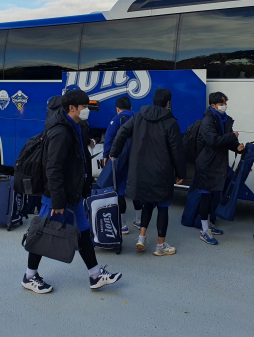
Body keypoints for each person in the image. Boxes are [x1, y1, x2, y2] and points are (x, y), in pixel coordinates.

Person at [22, 89, 122, 294]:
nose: (86, 111)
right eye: (84, 107)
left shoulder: (75, 126)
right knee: (41, 233)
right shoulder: (61, 132)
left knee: (84, 232)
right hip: (57, 195)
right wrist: (57, 201)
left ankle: (95, 275)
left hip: (72, 193)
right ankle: (29, 276)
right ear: (72, 108)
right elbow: (53, 168)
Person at [109, 88, 186, 257]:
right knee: (163, 207)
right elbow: (177, 150)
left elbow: (122, 132)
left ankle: (141, 238)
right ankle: (160, 245)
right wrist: (181, 173)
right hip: (162, 171)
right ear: (168, 103)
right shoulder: (170, 122)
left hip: (141, 170)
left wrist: (114, 153)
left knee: (148, 204)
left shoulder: (139, 116)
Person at [194, 92, 244, 245]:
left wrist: (237, 147)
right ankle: (204, 230)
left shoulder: (225, 119)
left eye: (225, 103)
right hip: (206, 164)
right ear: (213, 105)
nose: (224, 106)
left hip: (218, 164)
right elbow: (213, 141)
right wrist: (232, 136)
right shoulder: (208, 120)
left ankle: (209, 224)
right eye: (222, 103)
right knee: (206, 196)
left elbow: (225, 141)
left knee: (215, 196)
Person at [102, 96, 139, 234]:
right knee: (135, 188)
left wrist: (106, 156)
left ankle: (123, 225)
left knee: (120, 190)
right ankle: (139, 220)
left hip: (121, 159)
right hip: (136, 158)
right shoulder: (138, 118)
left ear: (118, 109)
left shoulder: (116, 120)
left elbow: (109, 139)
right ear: (130, 107)